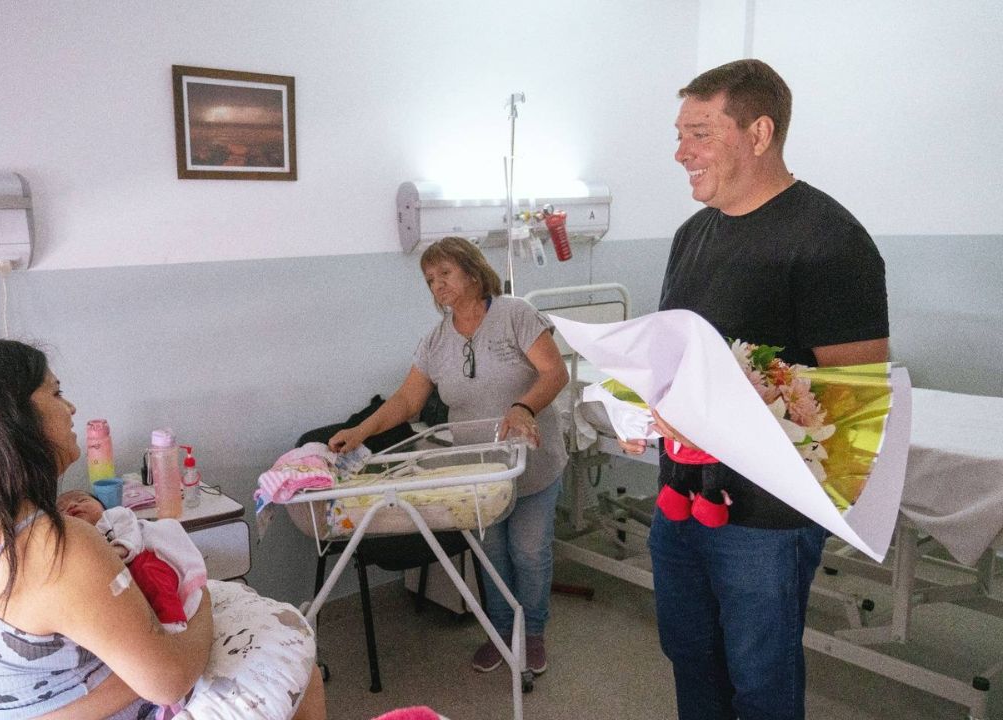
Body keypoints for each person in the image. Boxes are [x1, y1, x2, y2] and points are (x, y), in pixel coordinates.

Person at [618, 59, 889, 720]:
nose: (680, 151)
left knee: (760, 676)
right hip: (680, 498)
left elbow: (856, 409)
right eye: (680, 134)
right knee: (690, 655)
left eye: (700, 133)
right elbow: (679, 352)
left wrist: (722, 409)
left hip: (766, 521)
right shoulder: (691, 236)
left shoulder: (829, 242)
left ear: (759, 132)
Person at [0, 339, 327, 720]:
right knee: (294, 658)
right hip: (134, 685)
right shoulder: (55, 548)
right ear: (12, 420)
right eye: (56, 392)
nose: (71, 409)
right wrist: (203, 601)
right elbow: (169, 680)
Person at [328, 236, 569, 676]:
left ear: (473, 274)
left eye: (445, 274)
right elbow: (407, 402)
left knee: (529, 552)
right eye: (429, 279)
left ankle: (532, 635)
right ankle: (500, 635)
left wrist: (522, 407)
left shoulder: (515, 315)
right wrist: (359, 431)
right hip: (475, 472)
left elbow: (556, 372)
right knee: (492, 557)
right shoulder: (436, 342)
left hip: (530, 462)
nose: (437, 285)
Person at [57, 489, 207, 630]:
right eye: (61, 510)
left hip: (138, 559)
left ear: (103, 507)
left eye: (81, 500)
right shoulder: (67, 538)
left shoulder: (113, 516)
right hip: (112, 578)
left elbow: (130, 537)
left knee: (149, 573)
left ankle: (172, 623)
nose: (71, 505)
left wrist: (115, 552)